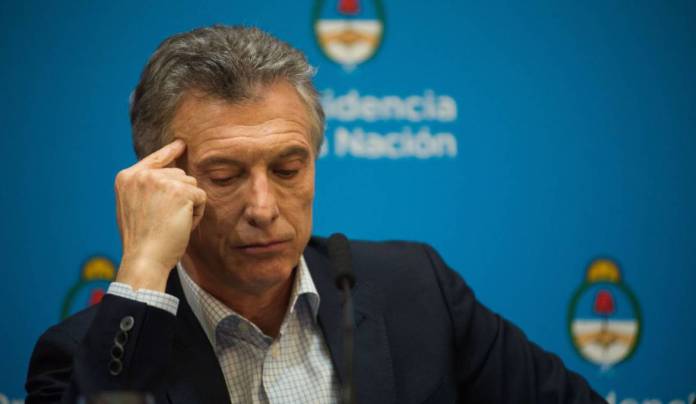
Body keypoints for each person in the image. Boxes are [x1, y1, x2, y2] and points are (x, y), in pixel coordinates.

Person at [25, 25, 606, 404]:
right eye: (225, 176)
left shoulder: (417, 291)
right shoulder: (78, 357)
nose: (263, 208)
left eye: (287, 169)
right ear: (162, 182)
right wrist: (144, 268)